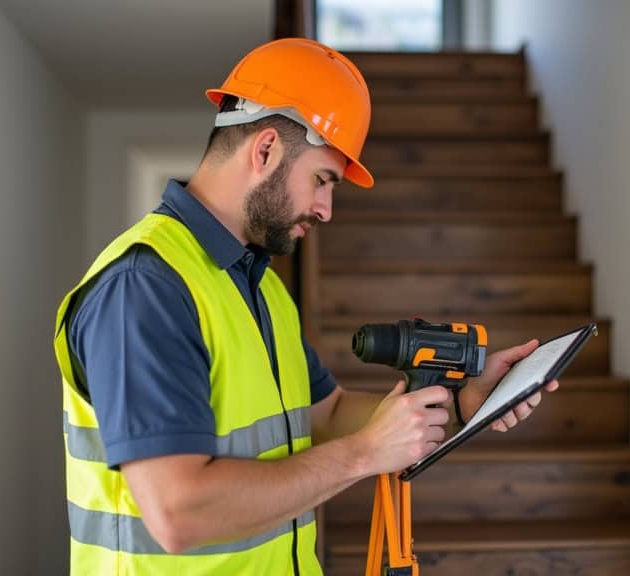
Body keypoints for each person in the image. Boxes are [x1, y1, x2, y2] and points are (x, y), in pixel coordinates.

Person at [52, 37, 559, 575]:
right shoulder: (146, 288)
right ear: (265, 149)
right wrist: (365, 454)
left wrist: (460, 400)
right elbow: (180, 513)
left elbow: (327, 414)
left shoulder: (261, 287)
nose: (326, 208)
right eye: (322, 180)